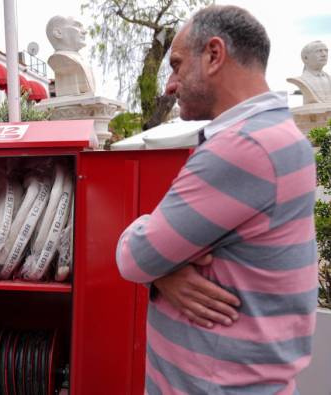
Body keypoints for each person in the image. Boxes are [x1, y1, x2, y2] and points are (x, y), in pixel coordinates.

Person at [116, 5, 317, 394]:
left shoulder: (243, 147)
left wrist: (154, 261)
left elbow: (134, 256)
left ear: (213, 55)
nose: (170, 84)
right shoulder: (280, 135)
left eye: (176, 65)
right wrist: (162, 271)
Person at [46, 15, 96, 97]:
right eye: (77, 25)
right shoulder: (60, 59)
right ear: (58, 33)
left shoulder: (80, 60)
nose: (85, 31)